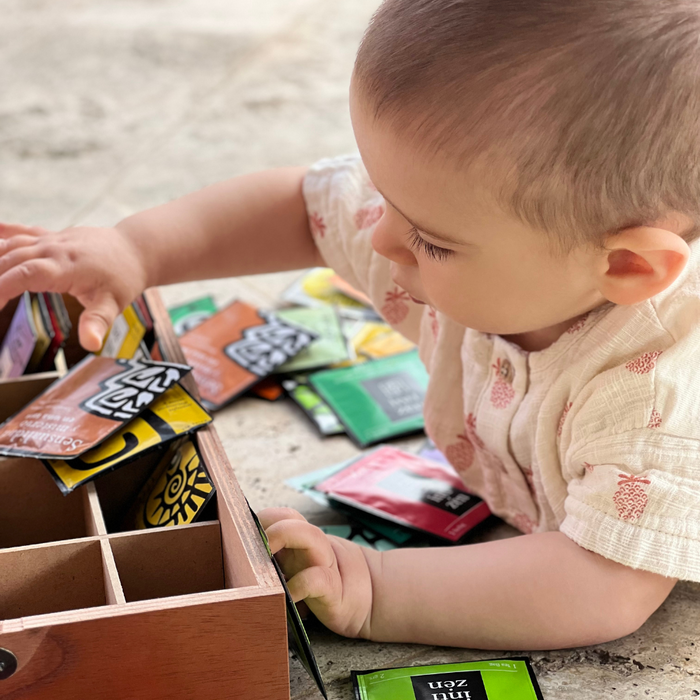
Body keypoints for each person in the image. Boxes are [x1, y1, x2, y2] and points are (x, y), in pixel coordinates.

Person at [2, 0, 699, 650]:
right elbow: (304, 206)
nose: (382, 236)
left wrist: (377, 586)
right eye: (385, 195)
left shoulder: (659, 394)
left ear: (630, 268)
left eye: (433, 240)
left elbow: (603, 584)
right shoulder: (470, 234)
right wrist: (138, 248)